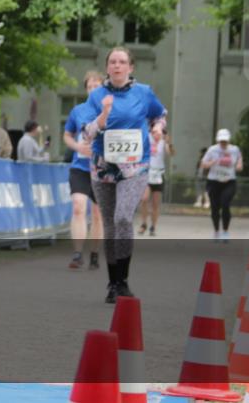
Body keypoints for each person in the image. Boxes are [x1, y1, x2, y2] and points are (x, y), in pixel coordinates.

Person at [83, 47, 166, 303]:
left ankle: (124, 280)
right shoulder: (97, 96)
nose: (117, 66)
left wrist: (158, 129)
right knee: (109, 225)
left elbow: (159, 114)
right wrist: (104, 114)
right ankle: (113, 283)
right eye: (112, 62)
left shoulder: (144, 92)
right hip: (103, 167)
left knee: (122, 218)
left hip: (135, 166)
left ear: (130, 67)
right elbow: (87, 132)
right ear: (107, 67)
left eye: (122, 62)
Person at [62, 70, 104, 271]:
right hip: (79, 167)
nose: (93, 90)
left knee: (97, 214)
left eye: (97, 86)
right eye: (90, 87)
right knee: (78, 207)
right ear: (86, 90)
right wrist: (78, 147)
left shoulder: (111, 112)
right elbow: (67, 135)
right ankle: (77, 254)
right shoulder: (78, 111)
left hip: (102, 170)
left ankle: (94, 253)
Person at [201, 128, 243, 242]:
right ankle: (216, 231)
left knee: (225, 204)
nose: (223, 143)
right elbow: (203, 164)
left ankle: (225, 231)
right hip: (214, 182)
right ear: (218, 140)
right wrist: (212, 163)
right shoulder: (212, 150)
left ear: (228, 140)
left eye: (225, 141)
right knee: (215, 208)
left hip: (229, 181)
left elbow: (239, 160)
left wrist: (239, 165)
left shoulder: (234, 149)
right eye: (221, 141)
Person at [138, 126, 173, 237]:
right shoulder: (147, 139)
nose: (156, 135)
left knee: (155, 204)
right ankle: (143, 224)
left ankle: (153, 226)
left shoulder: (164, 143)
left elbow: (170, 153)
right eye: (154, 132)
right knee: (144, 199)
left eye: (159, 133)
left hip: (159, 175)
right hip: (147, 173)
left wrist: (168, 143)